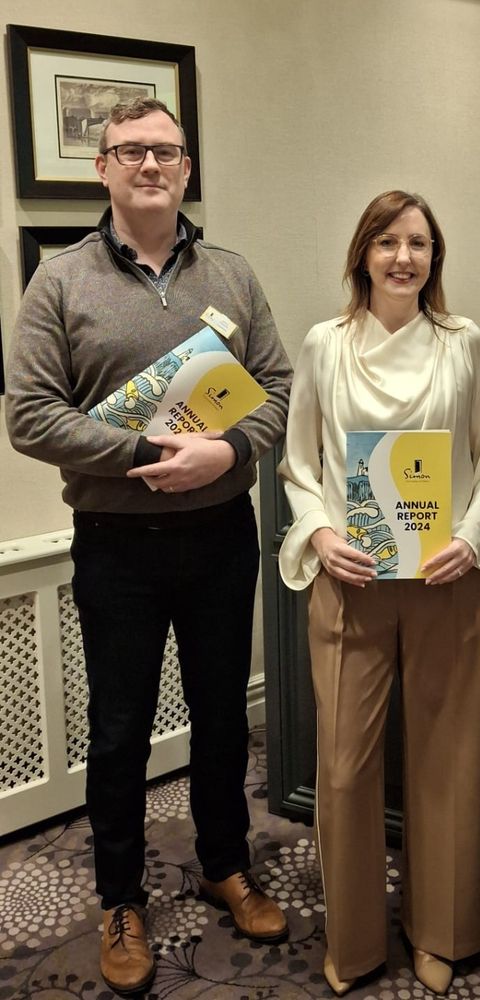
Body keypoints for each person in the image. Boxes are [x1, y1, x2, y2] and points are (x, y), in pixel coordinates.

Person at [5, 98, 293, 996]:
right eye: (130, 151)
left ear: (187, 166)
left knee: (218, 717)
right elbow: (29, 415)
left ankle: (223, 863)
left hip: (219, 534)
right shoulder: (59, 281)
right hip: (116, 544)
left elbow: (278, 388)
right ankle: (121, 898)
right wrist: (140, 455)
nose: (150, 165)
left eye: (166, 150)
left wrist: (230, 448)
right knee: (121, 728)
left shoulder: (234, 277)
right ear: (104, 169)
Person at [278, 191, 480, 995]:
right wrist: (319, 533)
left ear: (434, 258)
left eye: (418, 243)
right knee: (343, 770)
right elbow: (298, 466)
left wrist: (472, 540)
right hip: (354, 582)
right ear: (362, 255)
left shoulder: (462, 343)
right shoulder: (324, 344)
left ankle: (440, 933)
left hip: (447, 580)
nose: (403, 257)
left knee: (448, 762)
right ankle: (354, 942)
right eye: (387, 242)